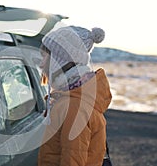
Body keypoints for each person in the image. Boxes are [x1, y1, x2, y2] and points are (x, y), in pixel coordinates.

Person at [38, 25, 112, 166]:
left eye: (45, 57)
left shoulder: (74, 106)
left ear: (59, 61)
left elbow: (72, 160)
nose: (41, 64)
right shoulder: (75, 96)